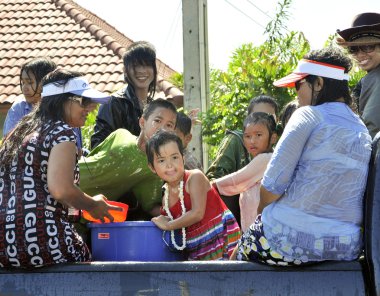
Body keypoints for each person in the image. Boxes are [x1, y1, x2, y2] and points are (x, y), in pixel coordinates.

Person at [232, 47, 372, 266]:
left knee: (236, 257)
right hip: (346, 248)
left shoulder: (307, 114)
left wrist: (261, 217)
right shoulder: (361, 128)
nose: (296, 94)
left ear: (319, 84)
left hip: (287, 241)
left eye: (299, 85)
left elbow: (271, 187)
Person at [0, 69, 122, 269]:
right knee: (87, 262)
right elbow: (61, 190)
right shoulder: (62, 132)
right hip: (41, 240)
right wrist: (93, 205)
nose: (90, 107)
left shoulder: (19, 131)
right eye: (84, 101)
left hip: (5, 245)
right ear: (62, 100)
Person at [147, 131, 241, 260]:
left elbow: (197, 213)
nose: (169, 165)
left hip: (221, 239)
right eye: (161, 160)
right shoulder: (166, 197)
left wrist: (168, 225)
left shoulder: (194, 177)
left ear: (183, 158)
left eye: (174, 157)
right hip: (197, 249)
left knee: (230, 278)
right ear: (152, 167)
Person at [79, 99, 178, 221]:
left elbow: (151, 207)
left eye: (169, 125)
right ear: (142, 122)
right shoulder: (120, 134)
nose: (162, 129)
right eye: (157, 121)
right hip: (62, 183)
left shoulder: (152, 169)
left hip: (85, 212)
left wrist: (182, 215)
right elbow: (90, 157)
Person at [90, 41, 183, 149]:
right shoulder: (114, 103)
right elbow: (97, 147)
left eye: (147, 65)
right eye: (136, 65)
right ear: (125, 70)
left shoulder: (153, 106)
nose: (141, 71)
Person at [206, 95, 278, 226]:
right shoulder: (235, 140)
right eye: (257, 116)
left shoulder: (272, 155)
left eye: (268, 117)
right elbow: (215, 176)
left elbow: (237, 180)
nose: (261, 121)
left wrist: (207, 185)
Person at [336, 12, 380, 138]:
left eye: (367, 47)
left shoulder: (375, 78)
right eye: (353, 49)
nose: (360, 55)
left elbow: (372, 129)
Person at [3, 57, 57, 137]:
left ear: (46, 82)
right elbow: (9, 144)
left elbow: (76, 147)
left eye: (30, 82)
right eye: (23, 82)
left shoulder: (63, 108)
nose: (24, 88)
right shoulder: (19, 108)